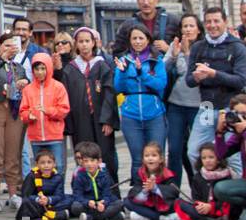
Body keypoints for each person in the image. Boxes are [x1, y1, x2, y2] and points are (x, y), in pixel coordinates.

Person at [184, 7, 246, 170]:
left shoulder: (237, 47)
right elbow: (189, 80)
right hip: (207, 106)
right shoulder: (198, 47)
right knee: (193, 152)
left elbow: (242, 80)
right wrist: (197, 77)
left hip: (230, 107)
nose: (212, 25)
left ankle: (235, 193)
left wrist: (213, 74)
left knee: (233, 157)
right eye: (208, 22)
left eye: (216, 21)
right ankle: (207, 189)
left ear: (225, 22)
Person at [62, 27, 119, 183]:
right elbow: (66, 97)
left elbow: (109, 94)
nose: (84, 45)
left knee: (105, 157)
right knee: (84, 156)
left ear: (94, 43)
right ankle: (86, 194)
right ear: (76, 44)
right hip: (80, 121)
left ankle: (111, 194)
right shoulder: (70, 69)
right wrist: (70, 124)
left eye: (87, 41)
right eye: (81, 42)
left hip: (100, 119)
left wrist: (108, 120)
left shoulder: (102, 66)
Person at [0, 32, 29, 212]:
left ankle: (13, 193)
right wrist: (1, 58)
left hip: (14, 110)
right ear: (0, 47)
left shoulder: (18, 67)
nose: (10, 49)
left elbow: (26, 83)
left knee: (13, 153)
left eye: (13, 46)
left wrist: (25, 82)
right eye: (6, 45)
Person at [113, 27, 168, 179]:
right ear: (130, 41)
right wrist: (123, 73)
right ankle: (138, 192)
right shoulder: (124, 60)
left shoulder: (156, 60)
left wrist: (141, 73)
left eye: (141, 38)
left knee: (156, 156)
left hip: (154, 114)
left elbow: (161, 84)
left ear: (148, 40)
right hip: (131, 115)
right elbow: (118, 88)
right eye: (134, 38)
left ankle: (160, 191)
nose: (137, 42)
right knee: (138, 158)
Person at [164, 13, 203, 188]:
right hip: (176, 104)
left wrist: (187, 54)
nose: (187, 29)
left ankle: (200, 191)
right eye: (184, 26)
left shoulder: (204, 47)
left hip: (199, 105)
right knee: (174, 150)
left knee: (197, 150)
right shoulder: (175, 44)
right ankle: (173, 191)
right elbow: (162, 68)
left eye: (191, 26)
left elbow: (194, 75)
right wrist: (173, 55)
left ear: (198, 29)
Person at [18, 51, 70, 174]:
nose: (40, 72)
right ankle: (42, 192)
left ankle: (58, 192)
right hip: (36, 137)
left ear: (49, 68)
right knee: (39, 170)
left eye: (43, 68)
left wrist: (48, 111)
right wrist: (28, 116)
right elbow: (23, 111)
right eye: (36, 69)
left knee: (58, 167)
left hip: (54, 136)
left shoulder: (58, 87)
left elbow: (64, 109)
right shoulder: (28, 89)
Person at [112, 0, 180, 57]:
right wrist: (132, 56)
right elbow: (117, 53)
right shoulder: (127, 25)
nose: (146, 2)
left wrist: (168, 49)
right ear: (137, 0)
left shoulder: (173, 21)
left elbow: (186, 52)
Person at [172, 144, 233, 220]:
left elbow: (227, 200)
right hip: (204, 210)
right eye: (204, 158)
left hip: (220, 210)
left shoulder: (226, 175)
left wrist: (211, 207)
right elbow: (196, 198)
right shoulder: (198, 177)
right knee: (179, 203)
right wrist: (201, 205)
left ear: (218, 159)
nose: (207, 161)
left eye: (211, 157)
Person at [124, 141, 179, 220]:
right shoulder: (140, 173)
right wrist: (145, 190)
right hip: (147, 205)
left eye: (154, 155)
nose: (150, 158)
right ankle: (160, 218)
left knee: (178, 204)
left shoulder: (167, 174)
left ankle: (151, 216)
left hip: (163, 206)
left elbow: (174, 191)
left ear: (161, 159)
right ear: (143, 159)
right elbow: (134, 191)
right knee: (127, 202)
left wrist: (156, 188)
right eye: (146, 156)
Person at [69, 142, 123, 220]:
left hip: (101, 202)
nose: (89, 164)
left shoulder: (104, 175)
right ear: (82, 162)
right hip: (89, 204)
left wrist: (103, 203)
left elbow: (107, 194)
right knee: (75, 207)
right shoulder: (79, 176)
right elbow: (77, 195)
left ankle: (90, 218)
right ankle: (108, 217)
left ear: (99, 161)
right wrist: (87, 202)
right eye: (86, 161)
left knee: (119, 203)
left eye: (92, 160)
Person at [16, 147, 71, 220]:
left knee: (69, 199)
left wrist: (48, 200)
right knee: (26, 203)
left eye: (49, 162)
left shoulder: (58, 177)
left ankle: (49, 213)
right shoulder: (31, 176)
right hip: (36, 203)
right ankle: (55, 215)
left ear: (54, 164)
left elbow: (59, 195)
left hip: (51, 202)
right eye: (42, 163)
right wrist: (38, 199)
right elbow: (26, 195)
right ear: (37, 164)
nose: (46, 165)